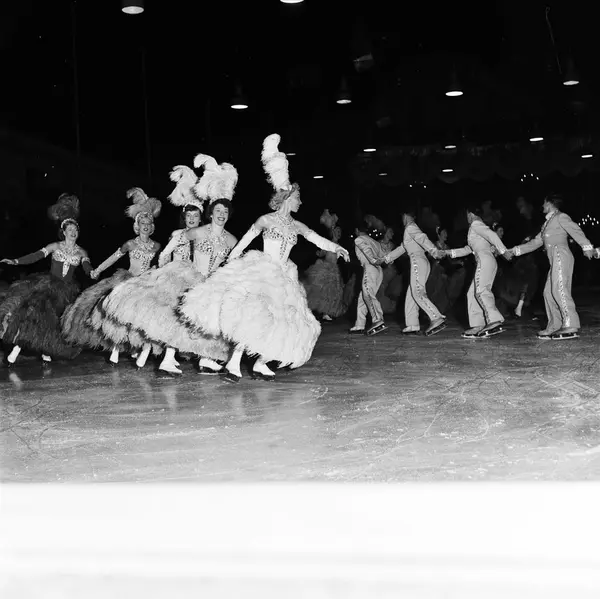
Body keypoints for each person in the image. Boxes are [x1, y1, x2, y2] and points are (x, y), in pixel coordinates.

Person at [177, 134, 350, 383]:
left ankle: (261, 362)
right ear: (287, 199)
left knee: (282, 322)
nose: (300, 201)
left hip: (284, 277)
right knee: (253, 317)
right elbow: (245, 241)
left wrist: (337, 247)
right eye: (297, 198)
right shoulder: (265, 220)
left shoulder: (297, 225)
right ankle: (234, 363)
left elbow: (317, 239)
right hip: (263, 272)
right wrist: (230, 260)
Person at [103, 157, 238, 376]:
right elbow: (178, 240)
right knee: (178, 321)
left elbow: (234, 259)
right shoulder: (198, 232)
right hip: (192, 279)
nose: (221, 215)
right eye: (218, 211)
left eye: (225, 212)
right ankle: (167, 359)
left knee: (204, 323)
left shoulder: (231, 239)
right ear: (211, 213)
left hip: (212, 284)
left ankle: (205, 359)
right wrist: (165, 256)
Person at [1, 194, 90, 365]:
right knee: (36, 318)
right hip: (49, 287)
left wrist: (92, 272)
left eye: (75, 230)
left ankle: (46, 351)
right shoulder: (55, 246)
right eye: (70, 230)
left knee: (56, 324)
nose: (73, 232)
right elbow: (35, 256)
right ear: (63, 232)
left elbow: (87, 266)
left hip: (67, 291)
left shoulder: (81, 252)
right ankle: (16, 349)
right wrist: (16, 261)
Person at [86, 188, 162, 366]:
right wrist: (98, 269)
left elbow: (160, 264)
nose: (145, 225)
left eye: (148, 223)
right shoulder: (129, 244)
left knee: (143, 319)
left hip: (146, 284)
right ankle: (115, 349)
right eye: (142, 222)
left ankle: (140, 349)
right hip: (129, 281)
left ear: (152, 226)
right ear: (137, 225)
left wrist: (155, 270)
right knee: (122, 318)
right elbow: (114, 257)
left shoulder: (157, 246)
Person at [510, 193, 595, 339]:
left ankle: (570, 324)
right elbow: (535, 243)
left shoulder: (561, 217)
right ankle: (555, 325)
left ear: (549, 204)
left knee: (559, 289)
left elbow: (575, 230)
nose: (542, 206)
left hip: (561, 256)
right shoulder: (547, 224)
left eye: (544, 203)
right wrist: (513, 251)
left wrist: (586, 246)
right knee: (548, 292)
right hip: (554, 260)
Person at [445, 207, 513, 338]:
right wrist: (447, 252)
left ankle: (494, 320)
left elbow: (492, 235)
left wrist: (504, 251)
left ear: (470, 214)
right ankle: (478, 325)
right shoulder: (478, 228)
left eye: (466, 215)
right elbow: (468, 249)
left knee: (481, 291)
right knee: (472, 293)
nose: (466, 218)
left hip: (484, 260)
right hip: (487, 261)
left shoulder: (476, 225)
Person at [383, 208, 446, 336]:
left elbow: (422, 238)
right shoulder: (410, 229)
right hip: (420, 262)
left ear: (405, 216)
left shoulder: (410, 227)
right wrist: (386, 258)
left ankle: (436, 317)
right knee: (411, 294)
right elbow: (403, 247)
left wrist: (434, 251)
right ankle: (412, 324)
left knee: (417, 292)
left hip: (418, 262)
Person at [302, 209, 347, 322]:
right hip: (325, 268)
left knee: (331, 293)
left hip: (334, 270)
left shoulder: (338, 245)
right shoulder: (329, 243)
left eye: (339, 232)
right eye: (336, 232)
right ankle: (312, 311)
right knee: (320, 291)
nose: (338, 233)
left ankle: (326, 313)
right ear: (332, 232)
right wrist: (320, 253)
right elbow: (322, 252)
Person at [348, 220, 386, 335]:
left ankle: (378, 319)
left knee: (368, 295)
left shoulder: (359, 239)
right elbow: (384, 256)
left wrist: (373, 260)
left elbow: (367, 251)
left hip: (370, 268)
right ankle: (359, 324)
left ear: (357, 230)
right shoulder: (375, 241)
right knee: (363, 297)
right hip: (379, 270)